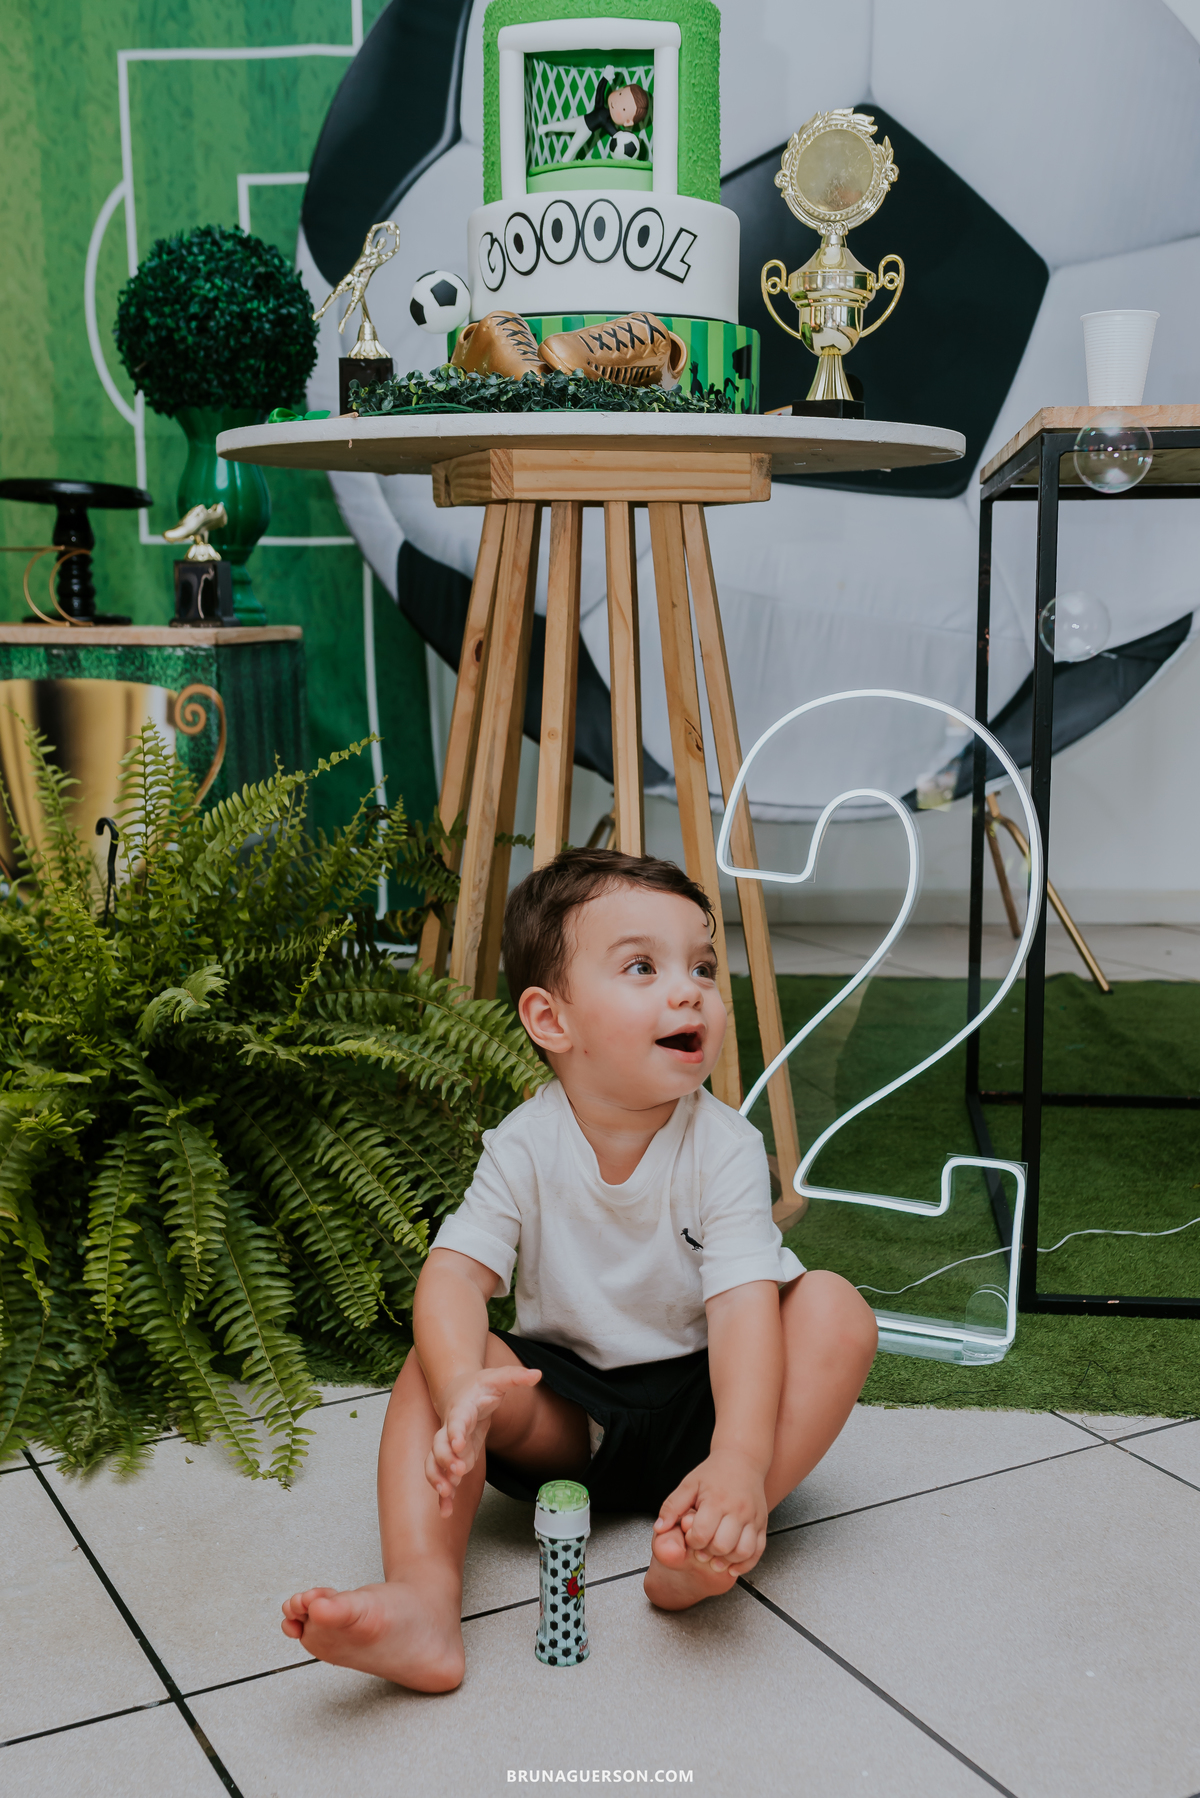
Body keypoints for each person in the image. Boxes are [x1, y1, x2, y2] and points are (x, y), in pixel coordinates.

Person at [281, 849, 877, 1691]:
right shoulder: (523, 1144)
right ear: (551, 1020)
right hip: (571, 1421)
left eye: (703, 967)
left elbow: (745, 1309)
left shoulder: (726, 1148)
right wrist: (460, 1389)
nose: (690, 991)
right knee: (433, 1359)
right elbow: (453, 1276)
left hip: (709, 1401)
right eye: (643, 967)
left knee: (834, 1309)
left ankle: (710, 1535)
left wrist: (741, 1455)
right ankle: (421, 1599)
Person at [536, 68, 650, 164]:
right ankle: (546, 128)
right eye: (620, 94)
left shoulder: (606, 123)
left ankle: (562, 164)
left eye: (623, 109)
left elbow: (616, 135)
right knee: (562, 125)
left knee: (572, 149)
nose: (616, 103)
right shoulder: (601, 108)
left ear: (628, 122)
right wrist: (605, 78)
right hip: (581, 120)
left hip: (585, 131)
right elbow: (599, 93)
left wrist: (626, 138)